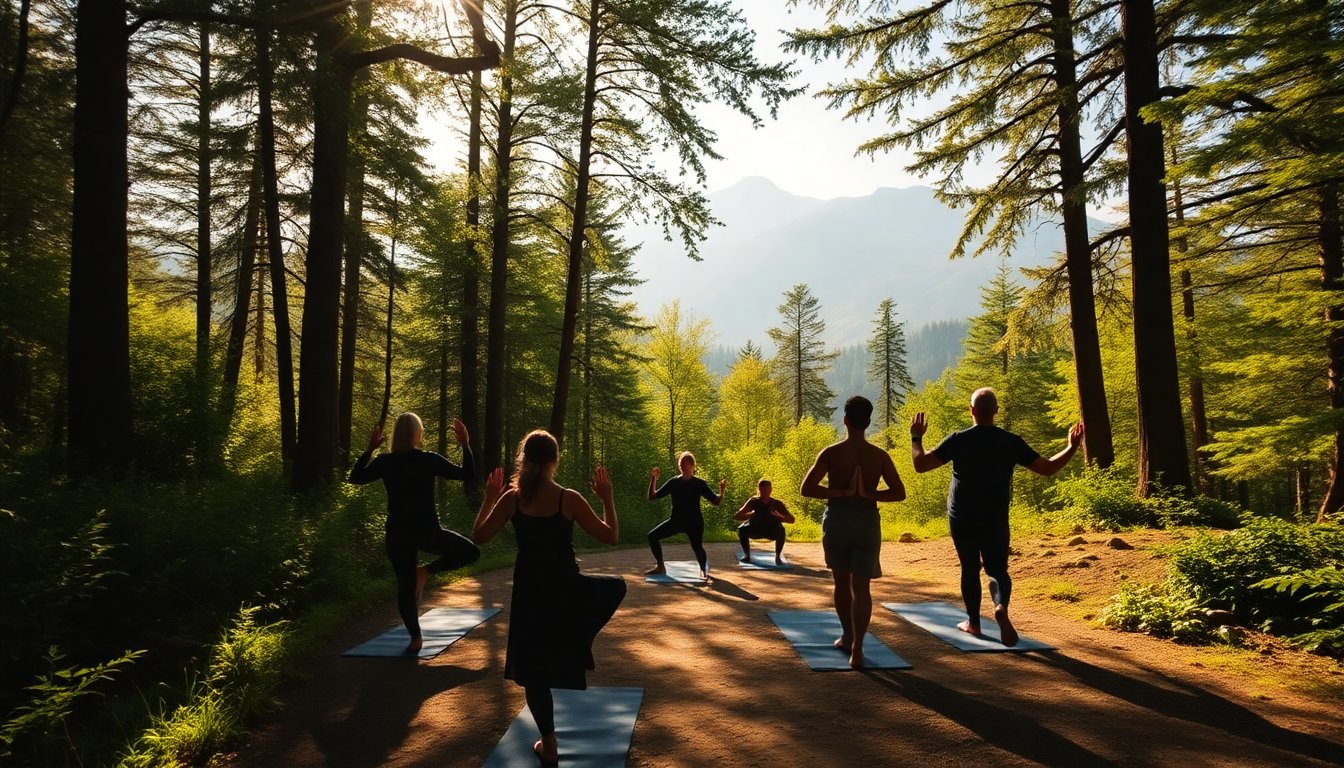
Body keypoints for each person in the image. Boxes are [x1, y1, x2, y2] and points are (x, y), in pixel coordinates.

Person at [473, 430, 626, 767]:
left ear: (524, 459)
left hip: (530, 593)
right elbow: (611, 536)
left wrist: (489, 497)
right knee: (616, 586)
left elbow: (479, 536)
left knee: (533, 671)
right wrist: (607, 497)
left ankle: (550, 743)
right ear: (555, 460)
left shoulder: (512, 498)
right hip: (565, 590)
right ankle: (579, 639)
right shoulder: (567, 498)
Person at [911, 387, 1084, 646]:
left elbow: (921, 465)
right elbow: (1048, 468)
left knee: (970, 568)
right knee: (997, 570)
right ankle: (1000, 605)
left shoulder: (958, 439)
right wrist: (1072, 447)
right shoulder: (1011, 442)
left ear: (972, 411)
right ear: (996, 412)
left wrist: (916, 438)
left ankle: (973, 623)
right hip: (995, 517)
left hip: (962, 516)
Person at [348, 412, 480, 653]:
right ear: (416, 434)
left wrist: (369, 450)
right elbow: (468, 474)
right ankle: (426, 572)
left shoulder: (385, 462)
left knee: (404, 584)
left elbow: (355, 478)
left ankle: (416, 638)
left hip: (397, 533)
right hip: (426, 531)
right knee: (471, 552)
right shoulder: (427, 460)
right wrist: (466, 445)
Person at [800, 396, 905, 668]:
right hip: (867, 521)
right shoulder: (879, 456)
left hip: (838, 519)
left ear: (845, 420)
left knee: (841, 583)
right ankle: (857, 648)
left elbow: (807, 488)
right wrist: (867, 492)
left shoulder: (831, 453)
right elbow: (899, 493)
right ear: (868, 422)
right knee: (862, 587)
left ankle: (848, 637)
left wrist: (842, 492)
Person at [645, 452, 726, 579]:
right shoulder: (674, 482)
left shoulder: (699, 483)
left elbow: (716, 502)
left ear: (693, 466)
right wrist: (654, 478)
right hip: (676, 521)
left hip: (694, 522)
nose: (683, 466)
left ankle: (703, 569)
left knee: (697, 547)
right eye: (681, 464)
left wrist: (722, 491)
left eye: (686, 464)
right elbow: (652, 497)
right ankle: (660, 566)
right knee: (652, 536)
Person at [734, 479, 795, 565]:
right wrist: (751, 514)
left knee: (781, 530)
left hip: (771, 531)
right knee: (742, 529)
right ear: (759, 489)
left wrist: (780, 517)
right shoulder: (753, 502)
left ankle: (778, 557)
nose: (765, 492)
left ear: (771, 490)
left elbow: (792, 519)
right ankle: (747, 555)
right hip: (755, 530)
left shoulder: (777, 503)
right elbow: (738, 515)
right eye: (763, 489)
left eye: (767, 489)